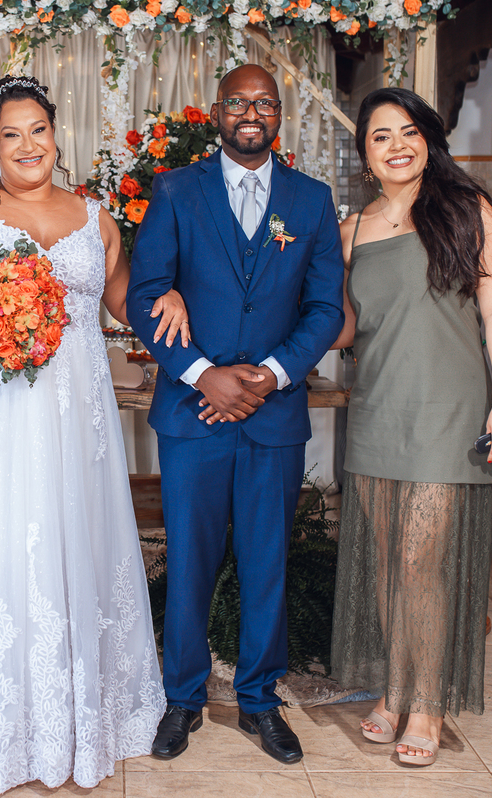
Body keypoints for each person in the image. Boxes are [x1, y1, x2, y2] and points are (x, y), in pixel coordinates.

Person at [0, 75, 186, 798]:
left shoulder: (95, 218)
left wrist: (167, 293)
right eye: (10, 134)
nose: (27, 146)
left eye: (37, 130)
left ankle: (68, 717)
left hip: (74, 417)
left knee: (70, 542)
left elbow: (126, 301)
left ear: (55, 134)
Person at [126, 63, 345, 765]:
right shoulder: (176, 190)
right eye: (238, 102)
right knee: (189, 560)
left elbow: (325, 309)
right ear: (217, 112)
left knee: (266, 562)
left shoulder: (311, 200)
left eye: (265, 103)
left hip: (272, 416)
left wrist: (271, 375)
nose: (252, 113)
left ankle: (258, 699)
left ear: (279, 114)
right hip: (192, 413)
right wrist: (204, 375)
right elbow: (145, 295)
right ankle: (182, 698)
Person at [330, 87, 492, 767]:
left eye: (409, 132)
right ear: (364, 154)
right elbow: (344, 328)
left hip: (449, 411)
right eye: (381, 136)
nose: (397, 146)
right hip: (378, 408)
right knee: (391, 562)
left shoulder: (469, 211)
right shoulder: (351, 231)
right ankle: (395, 687)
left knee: (422, 560)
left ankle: (428, 705)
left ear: (429, 140)